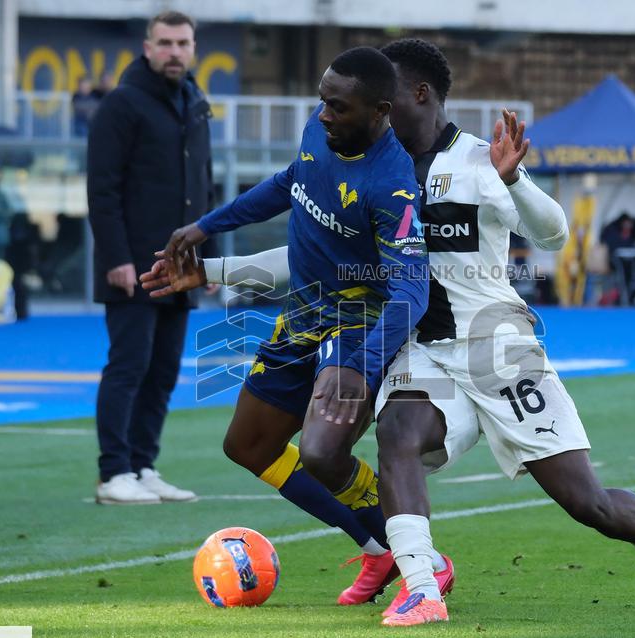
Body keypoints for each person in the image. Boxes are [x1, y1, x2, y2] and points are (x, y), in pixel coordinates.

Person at [158, 39, 635, 626]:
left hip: (497, 346)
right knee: (398, 435)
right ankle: (422, 586)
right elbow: (312, 254)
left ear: (417, 95)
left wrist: (514, 181)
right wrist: (214, 269)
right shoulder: (369, 164)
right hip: (424, 347)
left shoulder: (476, 160)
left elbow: (554, 235)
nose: (371, 110)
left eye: (386, 95)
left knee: (586, 502)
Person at [142, 46, 430, 603]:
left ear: (381, 111)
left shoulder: (393, 187)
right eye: (322, 101)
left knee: (320, 452)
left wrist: (362, 365)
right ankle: (379, 548)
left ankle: (424, 561)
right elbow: (289, 182)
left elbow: (411, 291)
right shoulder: (322, 130)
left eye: (338, 107)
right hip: (303, 314)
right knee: (248, 444)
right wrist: (206, 227)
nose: (324, 114)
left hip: (356, 323)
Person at [87, 10, 218, 505]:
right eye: (165, 43)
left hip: (181, 267)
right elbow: (102, 190)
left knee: (163, 371)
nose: (174, 52)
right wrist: (115, 258)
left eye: (183, 43)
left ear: (193, 48)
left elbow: (203, 187)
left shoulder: (195, 103)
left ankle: (143, 466)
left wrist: (210, 257)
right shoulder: (121, 104)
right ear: (147, 48)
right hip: (134, 265)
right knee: (129, 365)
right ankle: (113, 472)